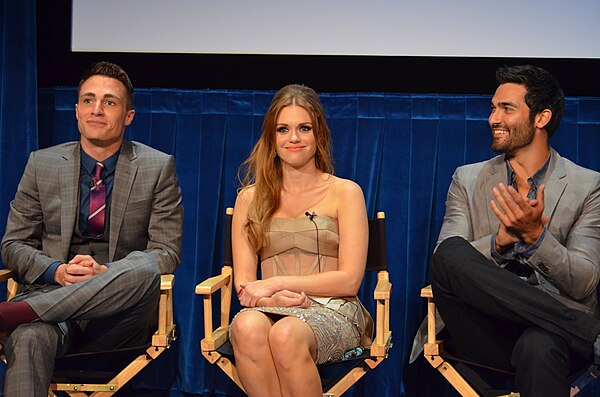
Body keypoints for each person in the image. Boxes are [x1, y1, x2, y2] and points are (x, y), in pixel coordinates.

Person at [0, 61, 183, 396]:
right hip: (53, 302)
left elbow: (166, 252)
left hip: (119, 315)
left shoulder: (157, 167)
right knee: (28, 336)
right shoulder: (42, 164)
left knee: (145, 269)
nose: (96, 110)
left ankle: (13, 313)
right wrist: (56, 271)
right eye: (88, 100)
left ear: (128, 115)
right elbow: (14, 243)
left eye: (109, 102)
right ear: (76, 110)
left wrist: (104, 273)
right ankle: (27, 315)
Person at [430, 64, 600, 396]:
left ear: (541, 118)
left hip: (550, 336)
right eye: (493, 108)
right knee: (450, 252)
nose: (493, 119)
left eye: (506, 109)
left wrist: (537, 239)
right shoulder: (466, 179)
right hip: (484, 328)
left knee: (540, 347)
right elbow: (445, 262)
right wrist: (499, 242)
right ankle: (589, 332)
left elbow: (585, 281)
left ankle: (573, 329)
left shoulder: (588, 186)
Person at [229, 84, 373, 397]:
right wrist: (272, 298)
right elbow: (244, 285)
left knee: (286, 334)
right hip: (270, 306)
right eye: (283, 129)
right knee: (246, 327)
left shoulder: (346, 193)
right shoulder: (249, 199)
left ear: (318, 135)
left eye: (303, 128)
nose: (293, 138)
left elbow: (349, 281)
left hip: (333, 309)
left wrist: (275, 283)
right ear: (272, 138)